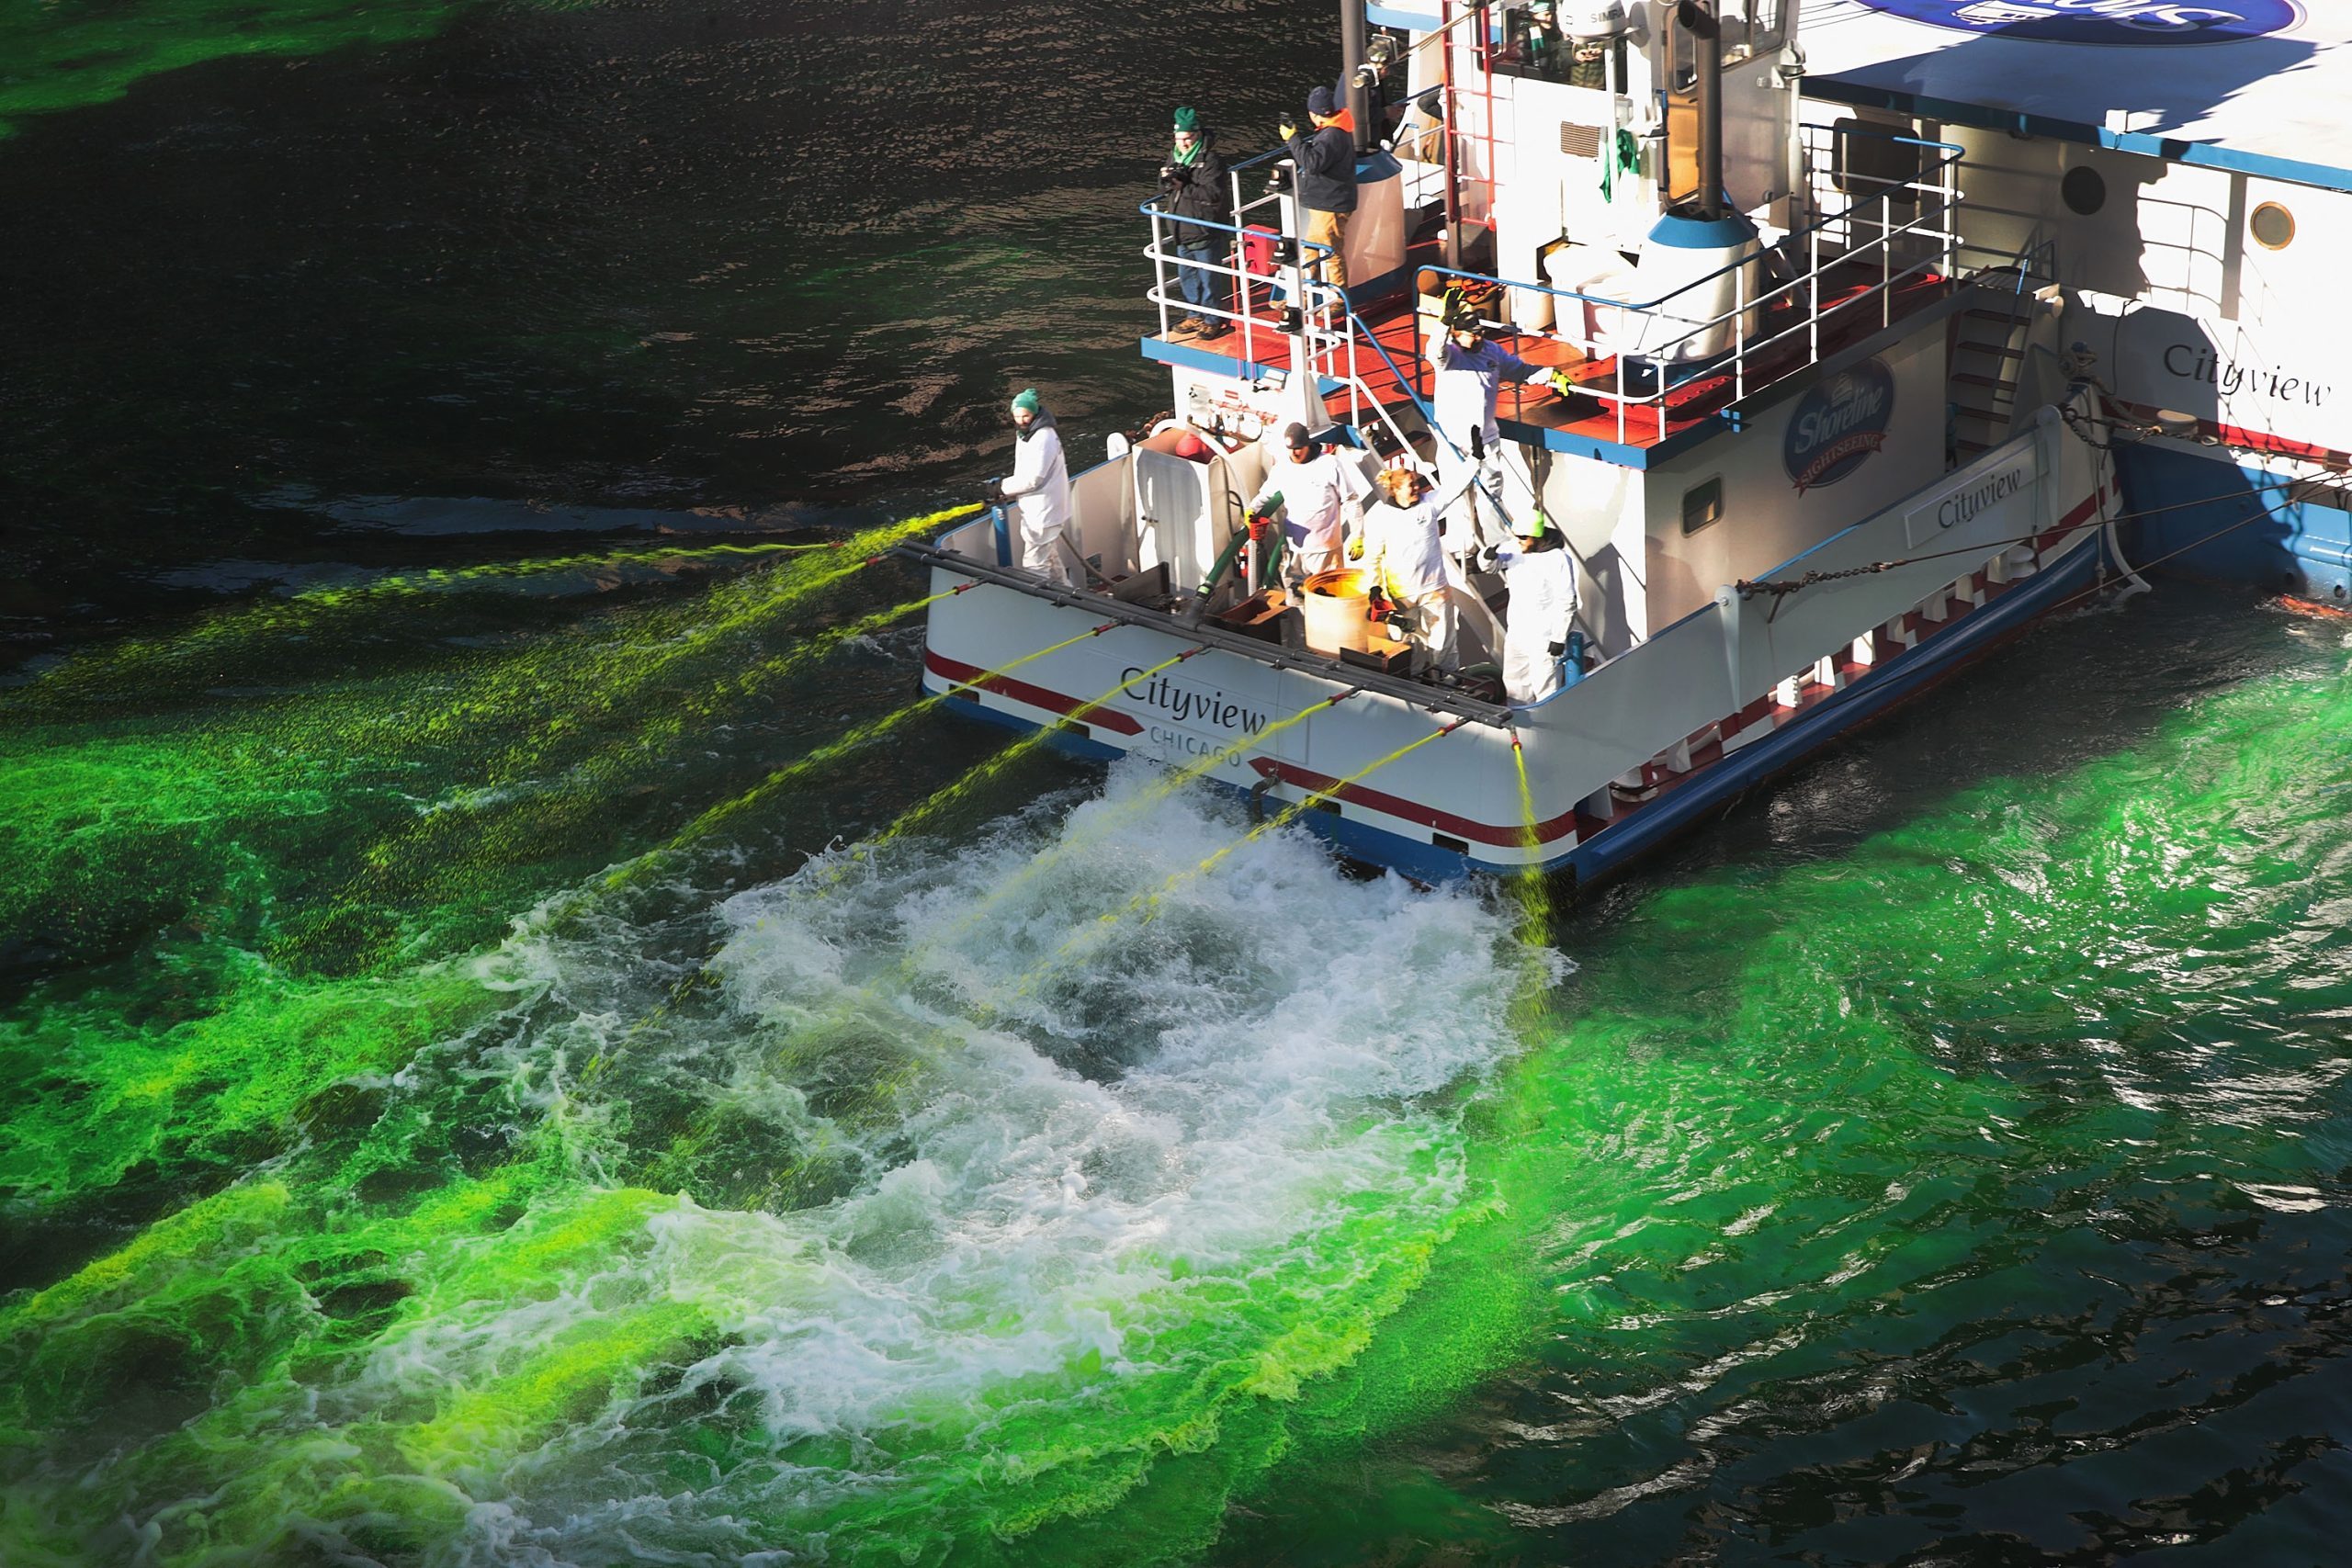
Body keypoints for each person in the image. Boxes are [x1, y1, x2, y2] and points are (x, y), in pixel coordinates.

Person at [1426, 301, 1573, 554]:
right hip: (1454, 438)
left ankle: (1495, 547)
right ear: (1457, 334)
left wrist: (1551, 375)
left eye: (1481, 332)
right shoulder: (1449, 356)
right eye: (1473, 334)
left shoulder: (1492, 351)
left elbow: (1520, 370)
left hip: (1486, 436)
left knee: (1491, 493)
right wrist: (1442, 323)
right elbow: (1433, 351)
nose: (1479, 337)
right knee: (1457, 492)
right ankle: (1464, 545)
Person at [1352, 464, 1461, 674]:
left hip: (1435, 590)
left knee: (1444, 645)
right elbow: (1373, 557)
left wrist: (1475, 460)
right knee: (1409, 645)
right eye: (1412, 485)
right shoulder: (1381, 518)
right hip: (1403, 596)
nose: (1418, 488)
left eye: (1418, 483)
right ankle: (1414, 682)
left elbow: (1455, 488)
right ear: (1396, 489)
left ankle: (1449, 683)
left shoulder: (1429, 505)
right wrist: (1375, 588)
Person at [1245, 421, 1371, 583]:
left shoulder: (1329, 464)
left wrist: (1357, 535)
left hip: (1326, 550)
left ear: (1308, 445)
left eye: (1298, 448)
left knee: (1328, 598)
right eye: (1291, 449)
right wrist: (1251, 510)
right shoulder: (1282, 469)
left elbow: (1350, 500)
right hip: (1295, 549)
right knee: (1298, 599)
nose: (1294, 453)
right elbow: (1265, 494)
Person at [1482, 510, 1579, 705]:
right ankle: (1520, 727)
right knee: (1514, 686)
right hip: (1517, 632)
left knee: (1547, 690)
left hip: (1543, 638)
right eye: (1516, 536)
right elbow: (1490, 568)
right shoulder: (1514, 548)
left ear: (1536, 536)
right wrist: (1487, 557)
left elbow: (1567, 601)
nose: (1517, 541)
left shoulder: (1557, 559)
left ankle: (1551, 728)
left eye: (1522, 538)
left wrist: (1558, 638)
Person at [1158, 107, 1229, 337]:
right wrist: (1166, 180)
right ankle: (1193, 314)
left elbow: (1213, 194)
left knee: (1209, 277)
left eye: (1187, 139)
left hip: (1204, 228)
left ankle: (1212, 318)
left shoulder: (1211, 161)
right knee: (1187, 275)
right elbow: (1162, 188)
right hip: (1181, 229)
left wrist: (1185, 186)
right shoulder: (1175, 156)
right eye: (1179, 139)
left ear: (1197, 135)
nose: (1183, 144)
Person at [1280, 85, 1357, 299]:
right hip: (1327, 203)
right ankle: (1301, 296)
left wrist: (1292, 138)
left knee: (1332, 253)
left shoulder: (1330, 136)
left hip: (1330, 205)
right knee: (1311, 250)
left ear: (1313, 114)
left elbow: (1312, 163)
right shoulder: (1336, 130)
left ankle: (1339, 301)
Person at [994, 389, 1074, 586]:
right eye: (1017, 416)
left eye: (1026, 416)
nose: (1021, 420)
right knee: (1049, 555)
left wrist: (1002, 488)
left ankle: (1042, 602)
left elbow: (1033, 479)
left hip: (1044, 509)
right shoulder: (1027, 433)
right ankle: (1066, 592)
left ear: (1035, 413)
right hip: (1040, 508)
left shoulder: (1043, 437)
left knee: (1035, 563)